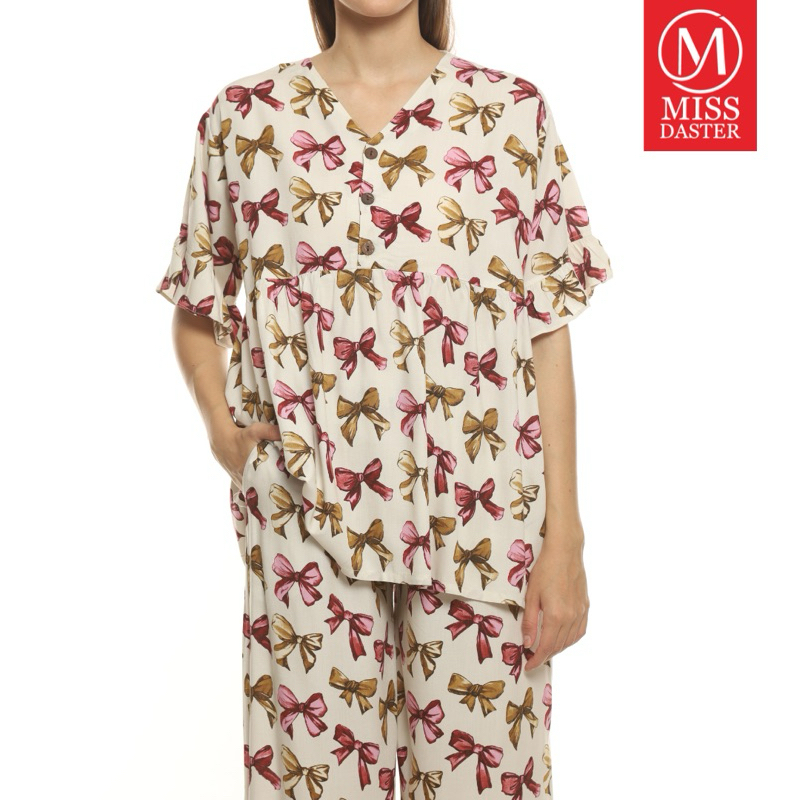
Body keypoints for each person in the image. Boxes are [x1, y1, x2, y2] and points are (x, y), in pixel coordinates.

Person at [154, 1, 613, 796]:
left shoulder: (509, 114)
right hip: (303, 519)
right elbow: (198, 305)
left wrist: (564, 540)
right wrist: (221, 427)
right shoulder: (247, 118)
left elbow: (546, 333)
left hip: (481, 519)